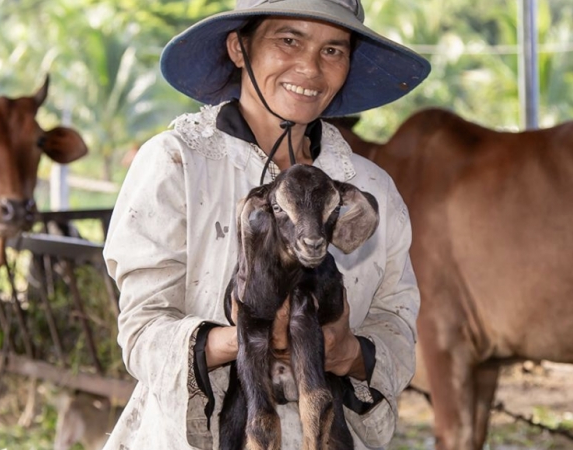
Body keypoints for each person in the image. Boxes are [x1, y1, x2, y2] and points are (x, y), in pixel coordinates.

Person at [102, 0, 430, 448]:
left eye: (333, 50)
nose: (311, 68)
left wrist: (347, 352)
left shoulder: (369, 188)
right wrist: (245, 341)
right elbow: (142, 330)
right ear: (239, 47)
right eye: (289, 40)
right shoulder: (178, 164)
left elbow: (396, 323)